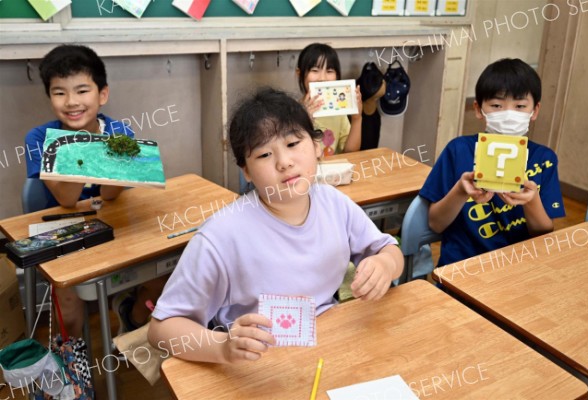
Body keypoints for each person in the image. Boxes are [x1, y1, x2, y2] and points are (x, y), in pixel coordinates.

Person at [148, 88, 403, 364]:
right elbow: (161, 329)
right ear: (246, 170)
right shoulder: (221, 236)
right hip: (257, 364)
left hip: (329, 348)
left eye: (293, 144)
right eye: (264, 155)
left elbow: (390, 250)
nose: (284, 162)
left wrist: (385, 266)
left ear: (317, 146)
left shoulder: (333, 202)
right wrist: (222, 347)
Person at [25, 44, 164, 336]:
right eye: (59, 92)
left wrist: (112, 164)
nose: (71, 101)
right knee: (66, 296)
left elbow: (112, 194)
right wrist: (84, 148)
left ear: (102, 94)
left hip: (116, 223)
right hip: (65, 228)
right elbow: (66, 199)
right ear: (49, 97)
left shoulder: (120, 133)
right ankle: (73, 369)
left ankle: (133, 317)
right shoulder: (40, 138)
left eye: (81, 90)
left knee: (164, 267)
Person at [419, 58, 565, 267]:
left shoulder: (544, 159)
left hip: (519, 270)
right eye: (497, 105)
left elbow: (543, 234)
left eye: (520, 106)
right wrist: (461, 190)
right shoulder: (458, 150)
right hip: (461, 269)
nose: (509, 114)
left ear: (535, 110)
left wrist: (531, 201)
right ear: (479, 109)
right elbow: (436, 223)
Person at [296, 43, 362, 156]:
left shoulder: (338, 110)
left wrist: (357, 118)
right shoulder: (291, 111)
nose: (323, 79)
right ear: (299, 73)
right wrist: (305, 120)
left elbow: (351, 152)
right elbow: (295, 155)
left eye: (330, 71)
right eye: (315, 70)